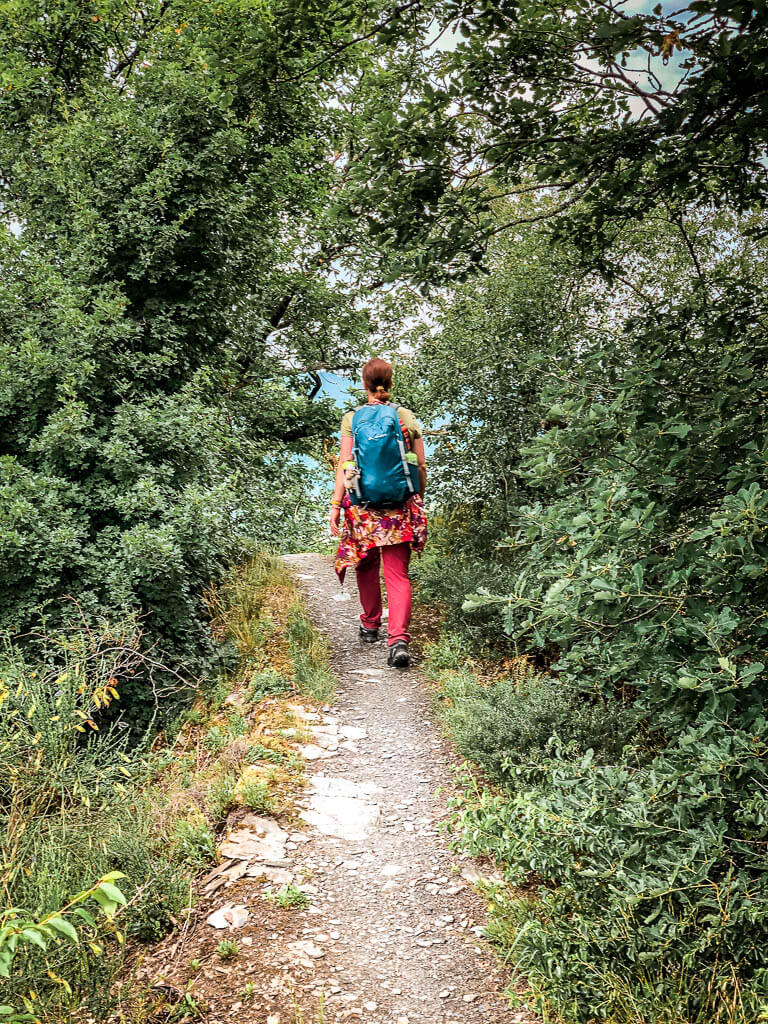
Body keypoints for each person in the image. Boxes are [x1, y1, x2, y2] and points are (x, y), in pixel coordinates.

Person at [330, 358, 427, 669]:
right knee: (397, 575)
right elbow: (420, 464)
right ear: (391, 382)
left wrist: (336, 505)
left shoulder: (352, 418)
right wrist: (417, 497)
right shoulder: (404, 415)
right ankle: (398, 639)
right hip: (399, 506)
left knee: (366, 566)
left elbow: (345, 465)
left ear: (364, 384)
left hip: (363, 507)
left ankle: (370, 624)